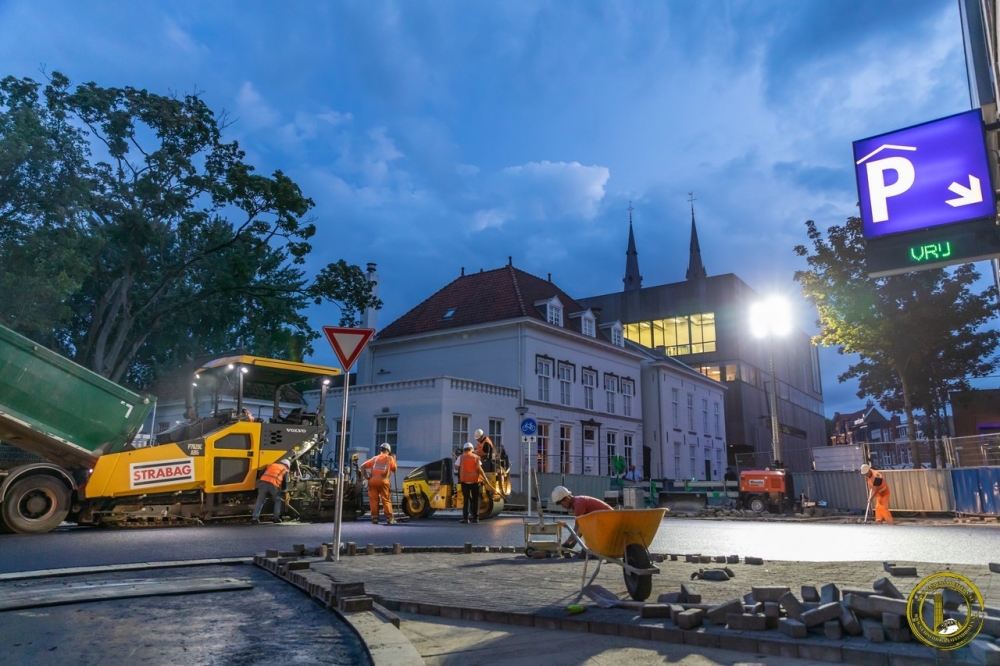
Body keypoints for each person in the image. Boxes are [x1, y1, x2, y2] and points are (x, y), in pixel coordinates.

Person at [362, 443, 397, 525]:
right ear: (388, 450)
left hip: (372, 481)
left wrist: (366, 477)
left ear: (381, 450)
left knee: (373, 500)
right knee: (386, 499)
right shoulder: (389, 458)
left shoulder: (374, 458)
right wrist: (394, 459)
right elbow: (394, 469)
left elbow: (362, 466)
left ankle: (374, 519)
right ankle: (389, 518)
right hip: (383, 481)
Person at [455, 442, 486, 523]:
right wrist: (485, 477)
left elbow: (455, 467)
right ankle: (476, 518)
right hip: (475, 481)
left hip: (465, 481)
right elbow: (480, 469)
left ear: (464, 449)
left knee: (466, 500)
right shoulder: (476, 457)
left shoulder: (461, 457)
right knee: (475, 500)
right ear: (472, 449)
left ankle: (466, 518)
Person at [252, 458, 290, 524]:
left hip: (263, 483)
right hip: (274, 484)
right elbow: (285, 482)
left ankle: (254, 518)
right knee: (277, 500)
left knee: (260, 501)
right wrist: (284, 491)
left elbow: (260, 473)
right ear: (287, 465)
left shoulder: (271, 465)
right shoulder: (285, 469)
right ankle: (276, 518)